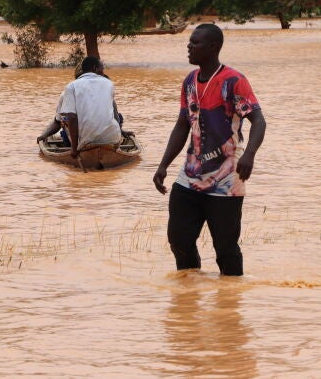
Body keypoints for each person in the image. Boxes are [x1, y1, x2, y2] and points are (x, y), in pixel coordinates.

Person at [153, 23, 266, 276]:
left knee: (225, 248)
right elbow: (182, 125)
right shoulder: (190, 81)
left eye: (195, 42)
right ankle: (188, 298)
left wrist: (249, 154)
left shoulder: (234, 81)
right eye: (190, 42)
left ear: (213, 47)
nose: (189, 46)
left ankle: (229, 304)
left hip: (226, 180)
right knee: (179, 241)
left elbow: (258, 120)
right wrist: (163, 165)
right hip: (190, 177)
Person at [37, 56, 126, 159]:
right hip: (112, 138)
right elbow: (114, 117)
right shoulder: (109, 84)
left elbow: (71, 118)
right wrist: (121, 133)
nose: (103, 71)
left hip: (85, 139)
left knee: (66, 121)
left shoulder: (71, 87)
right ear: (95, 69)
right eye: (102, 68)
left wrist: (74, 149)